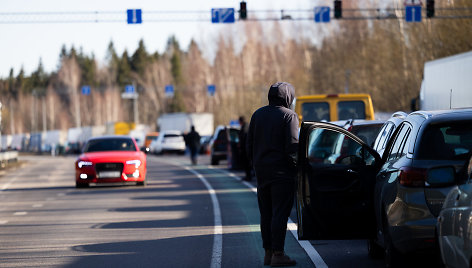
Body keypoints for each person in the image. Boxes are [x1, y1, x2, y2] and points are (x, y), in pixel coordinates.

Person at [246, 82, 299, 267]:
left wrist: (255, 165)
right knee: (280, 214)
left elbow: (249, 144)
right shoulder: (289, 116)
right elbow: (293, 148)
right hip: (282, 174)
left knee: (266, 214)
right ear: (288, 97)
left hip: (262, 173)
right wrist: (297, 169)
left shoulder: (257, 115)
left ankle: (268, 253)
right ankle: (278, 253)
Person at [238, 116, 252, 181]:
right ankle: (248, 176)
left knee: (246, 163)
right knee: (247, 163)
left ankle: (248, 176)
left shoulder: (244, 127)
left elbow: (243, 138)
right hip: (246, 147)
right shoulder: (247, 126)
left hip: (245, 148)